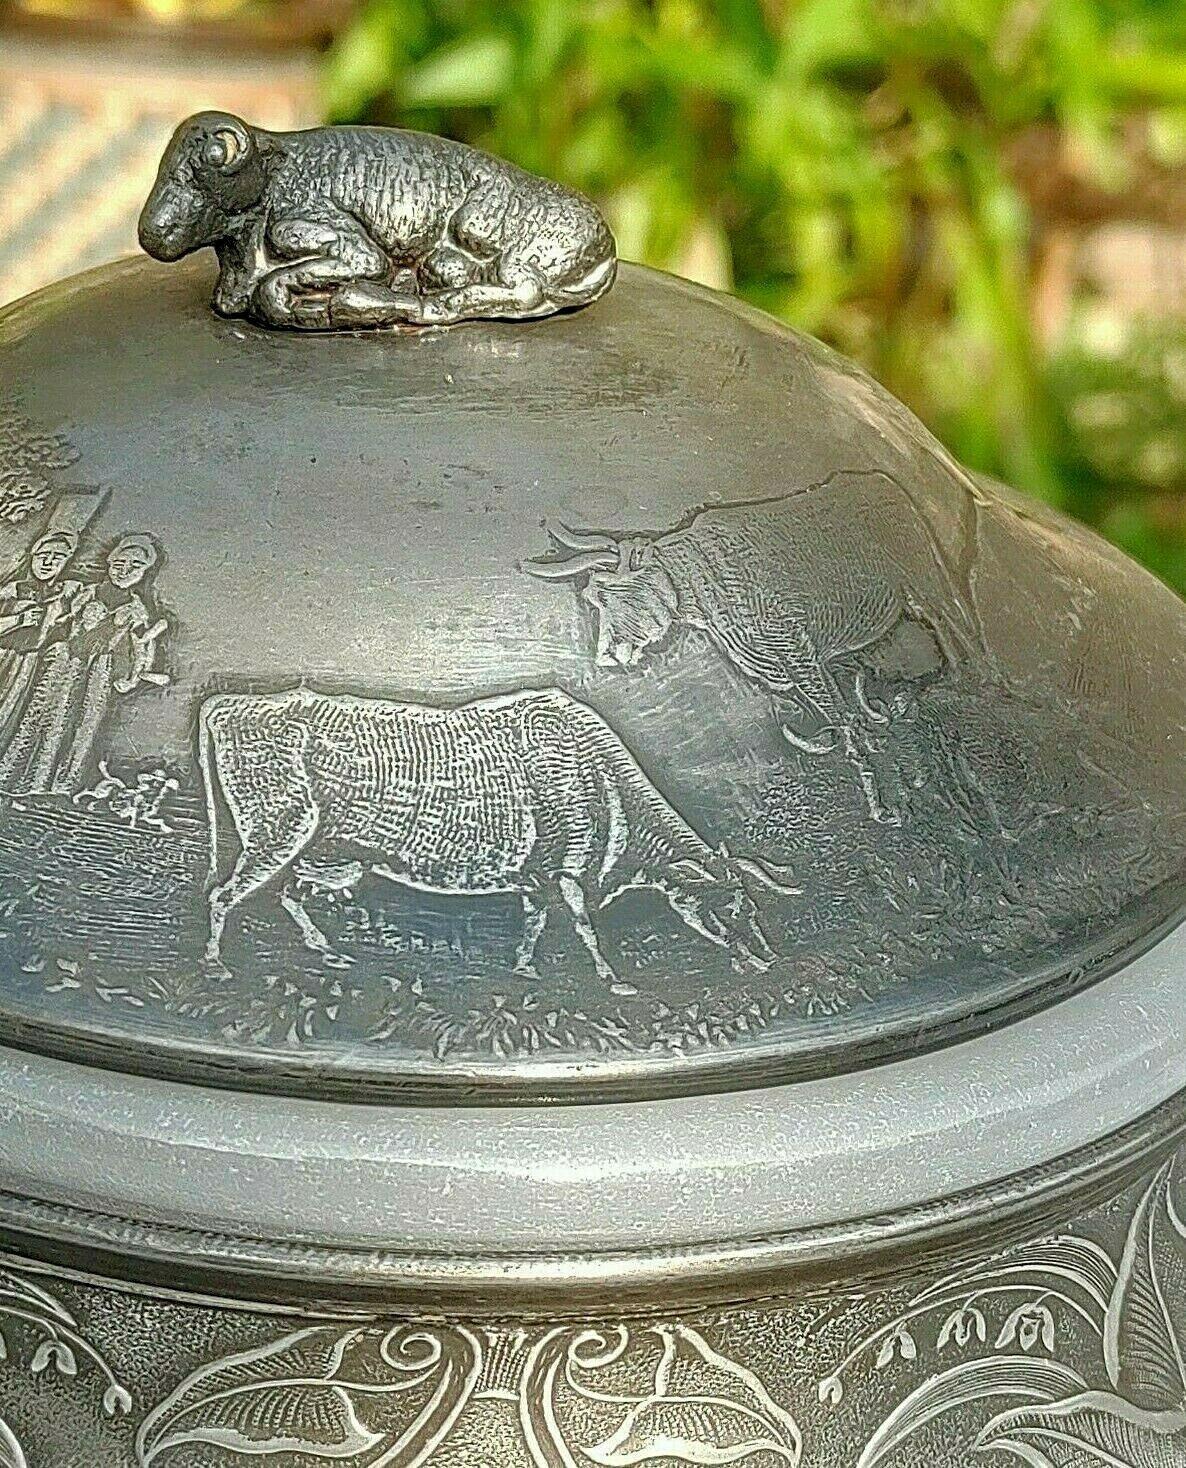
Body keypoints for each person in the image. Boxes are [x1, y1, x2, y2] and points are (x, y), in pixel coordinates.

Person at [0, 534, 170, 796]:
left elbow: (142, 648)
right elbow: (48, 611)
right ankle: (10, 777)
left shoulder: (137, 611)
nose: (124, 570)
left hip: (96, 675)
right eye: (120, 562)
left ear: (145, 572)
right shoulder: (80, 591)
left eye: (135, 566)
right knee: (38, 719)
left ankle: (51, 789)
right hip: (60, 664)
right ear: (110, 561)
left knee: (77, 727)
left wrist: (133, 677)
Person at [0, 530, 86, 757]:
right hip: (3, 657)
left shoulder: (65, 594)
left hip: (27, 665)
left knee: (8, 716)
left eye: (58, 557)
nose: (48, 562)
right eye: (43, 555)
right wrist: (18, 620)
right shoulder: (11, 591)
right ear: (33, 555)